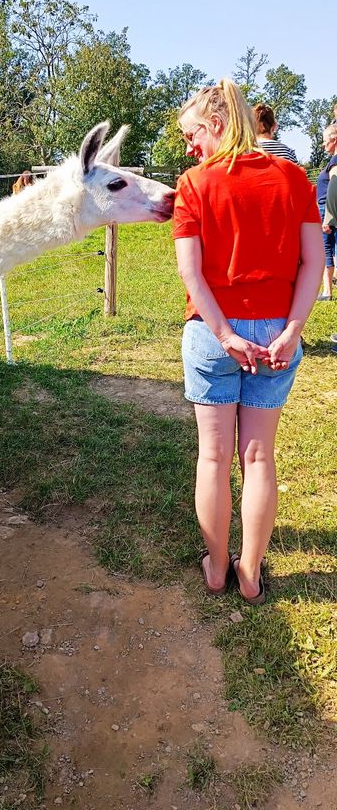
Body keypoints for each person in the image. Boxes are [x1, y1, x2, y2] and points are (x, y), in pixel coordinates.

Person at [174, 79, 324, 604]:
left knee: (212, 459)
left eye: (192, 134)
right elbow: (314, 264)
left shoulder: (194, 184)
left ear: (215, 123)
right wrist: (292, 330)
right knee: (258, 458)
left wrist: (224, 334)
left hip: (214, 332)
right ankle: (251, 574)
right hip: (275, 335)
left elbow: (192, 276)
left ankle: (216, 569)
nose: (190, 147)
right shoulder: (295, 179)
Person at [316, 124, 337, 301]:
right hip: (329, 208)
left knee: (327, 249)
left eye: (325, 141)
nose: (323, 145)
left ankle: (327, 291)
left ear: (334, 139)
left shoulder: (335, 161)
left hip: (327, 209)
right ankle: (327, 290)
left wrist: (328, 216)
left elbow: (334, 186)